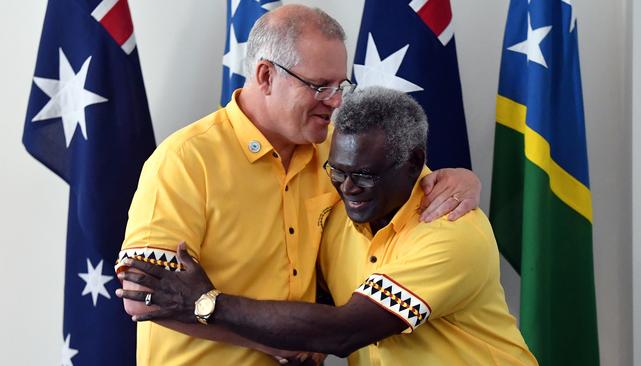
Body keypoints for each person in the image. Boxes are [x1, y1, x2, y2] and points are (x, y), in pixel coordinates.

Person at [116, 5, 481, 366]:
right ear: (265, 76)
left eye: (341, 86)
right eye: (320, 86)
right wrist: (273, 341)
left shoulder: (340, 151)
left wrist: (466, 179)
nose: (336, 102)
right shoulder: (185, 160)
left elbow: (413, 181)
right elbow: (143, 295)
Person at [117, 86, 538, 365]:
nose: (348, 187)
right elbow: (141, 296)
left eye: (365, 175)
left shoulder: (449, 229)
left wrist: (205, 301)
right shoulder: (340, 205)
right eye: (337, 170)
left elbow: (345, 332)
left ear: (413, 164)